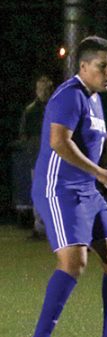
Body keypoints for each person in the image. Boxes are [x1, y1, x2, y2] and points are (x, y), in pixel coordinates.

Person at [25, 36, 107, 337]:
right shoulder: (70, 95)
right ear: (83, 67)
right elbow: (58, 142)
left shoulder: (95, 98)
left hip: (86, 190)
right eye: (102, 66)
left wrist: (102, 164)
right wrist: (99, 171)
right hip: (59, 189)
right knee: (74, 263)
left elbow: (92, 139)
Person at [15, 75, 53, 237]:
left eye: (45, 89)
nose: (43, 92)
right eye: (40, 89)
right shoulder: (31, 111)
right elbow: (24, 134)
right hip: (37, 157)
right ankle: (40, 227)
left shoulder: (56, 108)